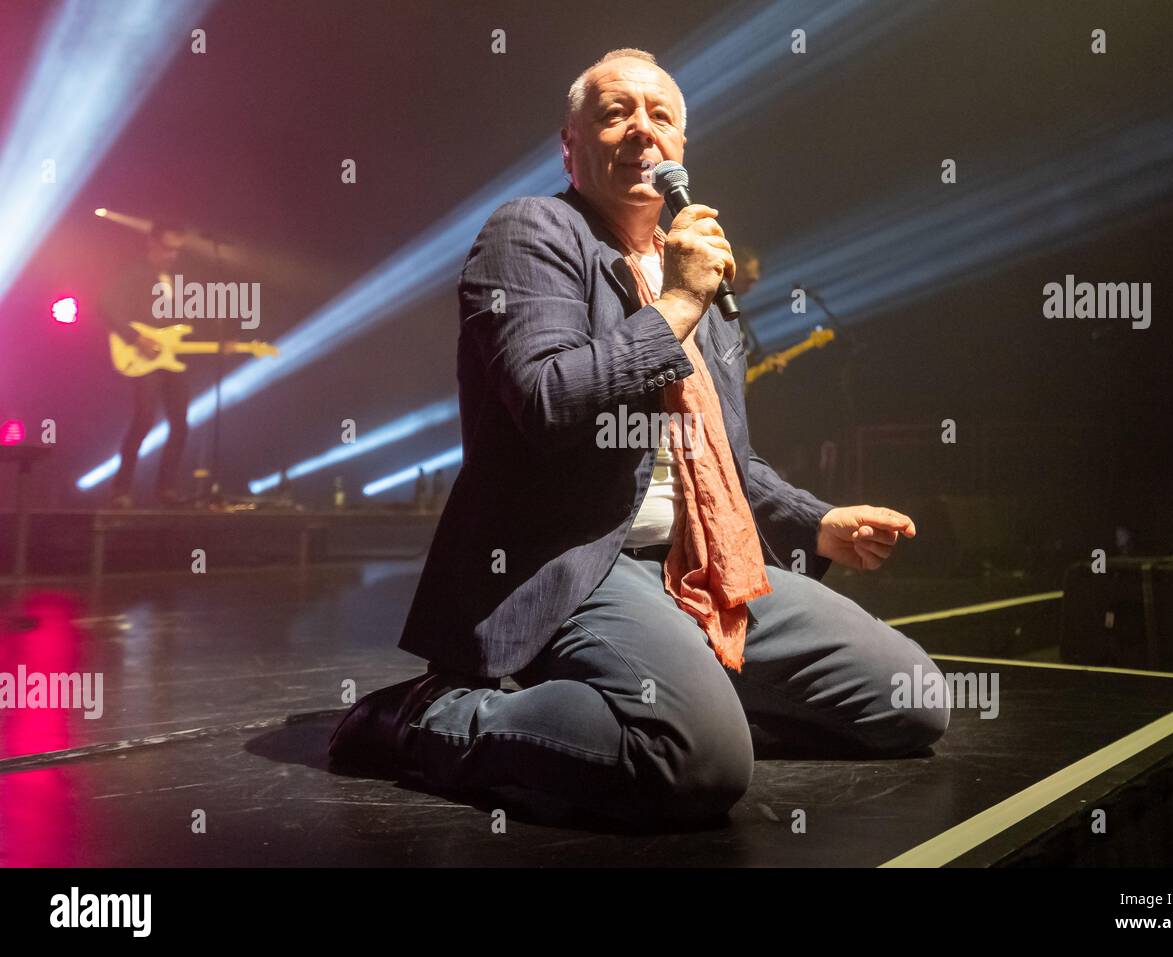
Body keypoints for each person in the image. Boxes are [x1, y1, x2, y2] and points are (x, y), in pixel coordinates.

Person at [330, 48, 949, 828]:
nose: (640, 131)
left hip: (700, 562)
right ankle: (427, 719)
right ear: (571, 146)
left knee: (914, 702)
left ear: (680, 151)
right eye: (614, 113)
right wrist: (679, 302)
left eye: (661, 117)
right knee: (697, 764)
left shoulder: (695, 273)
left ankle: (663, 714)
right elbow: (546, 400)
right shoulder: (531, 233)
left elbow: (726, 460)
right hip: (580, 560)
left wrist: (817, 522)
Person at [101, 223, 192, 509]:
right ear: (151, 243)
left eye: (177, 250)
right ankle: (121, 488)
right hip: (143, 355)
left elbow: (186, 321)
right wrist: (136, 337)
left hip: (172, 357)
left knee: (180, 424)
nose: (172, 256)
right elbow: (107, 306)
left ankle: (166, 489)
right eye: (167, 248)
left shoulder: (181, 278)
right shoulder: (133, 273)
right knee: (145, 418)